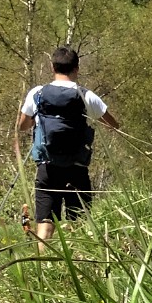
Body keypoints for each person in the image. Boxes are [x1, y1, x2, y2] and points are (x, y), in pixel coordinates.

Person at [14, 46, 119, 250]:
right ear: (76, 69)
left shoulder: (37, 93)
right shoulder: (86, 96)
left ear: (52, 67)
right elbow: (114, 125)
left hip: (47, 168)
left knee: (45, 224)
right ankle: (78, 267)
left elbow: (22, 126)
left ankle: (43, 268)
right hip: (77, 168)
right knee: (77, 223)